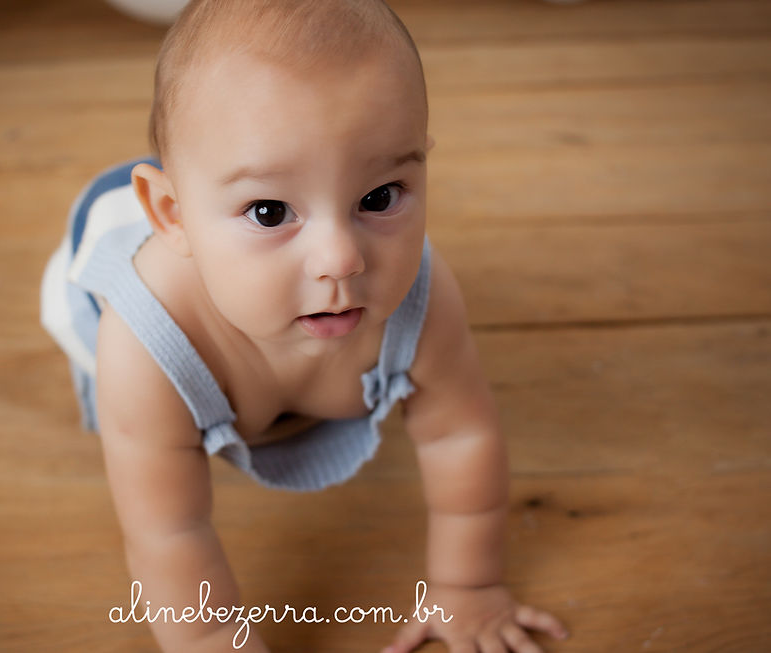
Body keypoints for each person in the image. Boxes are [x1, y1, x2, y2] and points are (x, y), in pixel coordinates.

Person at [40, 0, 570, 650]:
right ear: (173, 215)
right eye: (269, 211)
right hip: (113, 255)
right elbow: (167, 531)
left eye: (378, 197)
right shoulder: (144, 342)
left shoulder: (423, 299)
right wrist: (211, 640)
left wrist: (469, 585)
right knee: (130, 417)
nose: (341, 259)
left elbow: (461, 434)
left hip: (209, 202)